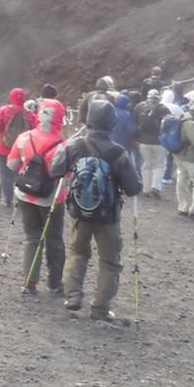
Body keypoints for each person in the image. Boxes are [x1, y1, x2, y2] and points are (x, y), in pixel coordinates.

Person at [46, 99, 143, 321]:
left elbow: (54, 170)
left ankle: (72, 297)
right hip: (108, 216)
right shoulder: (118, 153)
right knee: (110, 261)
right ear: (111, 123)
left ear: (89, 120)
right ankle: (100, 308)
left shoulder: (74, 146)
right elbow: (133, 188)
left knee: (78, 252)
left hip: (80, 211)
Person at [7, 96, 67, 296]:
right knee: (54, 239)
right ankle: (55, 283)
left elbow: (11, 164)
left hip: (25, 195)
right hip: (51, 199)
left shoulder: (24, 138)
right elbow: (68, 174)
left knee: (32, 237)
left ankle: (29, 282)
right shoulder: (62, 145)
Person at [0, 88, 36, 208]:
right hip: (23, 150)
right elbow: (35, 131)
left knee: (6, 173)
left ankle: (8, 199)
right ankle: (20, 199)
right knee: (21, 173)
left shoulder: (3, 111)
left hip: (4, 148)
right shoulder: (29, 115)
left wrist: (2, 136)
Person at [135, 86, 170, 198]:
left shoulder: (140, 107)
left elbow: (135, 122)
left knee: (146, 165)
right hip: (159, 141)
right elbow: (168, 124)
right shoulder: (163, 108)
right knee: (160, 164)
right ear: (158, 98)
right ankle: (155, 186)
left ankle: (146, 189)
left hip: (143, 141)